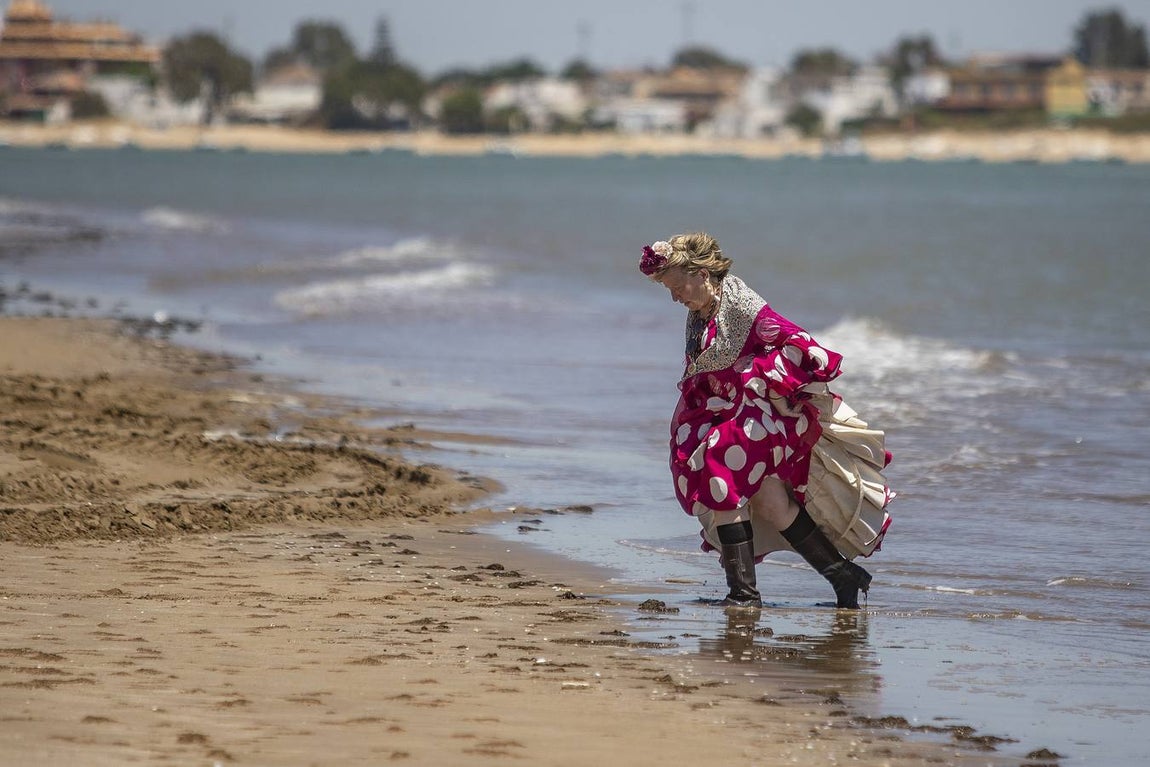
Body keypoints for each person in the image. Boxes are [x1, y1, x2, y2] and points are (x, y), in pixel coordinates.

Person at [640, 232, 893, 609]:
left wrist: (777, 388)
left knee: (719, 469)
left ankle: (744, 595)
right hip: (726, 412)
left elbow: (801, 343)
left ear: (701, 273)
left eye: (677, 287)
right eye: (669, 290)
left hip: (756, 413)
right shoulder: (699, 313)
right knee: (773, 505)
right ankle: (844, 577)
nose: (675, 297)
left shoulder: (741, 303)